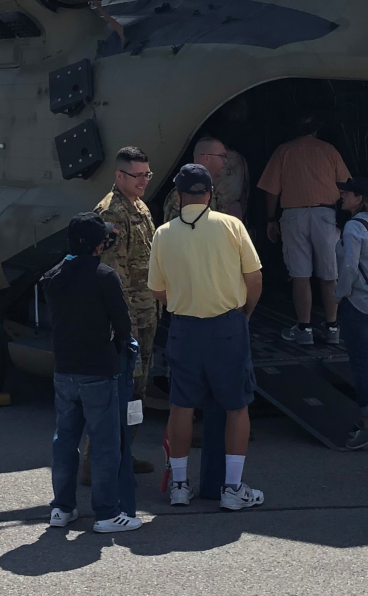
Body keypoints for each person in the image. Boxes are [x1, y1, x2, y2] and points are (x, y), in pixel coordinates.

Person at [149, 163, 264, 510]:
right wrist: (243, 313)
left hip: (184, 327)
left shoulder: (163, 233)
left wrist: (185, 300)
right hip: (227, 325)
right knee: (236, 405)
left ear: (179, 195)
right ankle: (232, 488)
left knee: (181, 405)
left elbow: (157, 290)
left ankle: (180, 485)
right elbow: (255, 278)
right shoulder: (232, 226)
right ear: (210, 193)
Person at [44, 212, 142, 533]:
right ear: (100, 246)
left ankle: (62, 507)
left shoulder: (52, 278)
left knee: (65, 440)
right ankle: (106, 513)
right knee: (104, 445)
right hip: (98, 371)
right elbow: (123, 325)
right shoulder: (105, 276)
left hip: (64, 371)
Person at [257, 115, 350, 346]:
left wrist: (270, 219)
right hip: (326, 215)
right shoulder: (330, 151)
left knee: (300, 274)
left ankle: (304, 328)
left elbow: (271, 191)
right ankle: (332, 327)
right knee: (330, 274)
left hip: (293, 215)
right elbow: (346, 185)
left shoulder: (284, 151)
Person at [96, 147, 162, 452]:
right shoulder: (113, 212)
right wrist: (127, 322)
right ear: (119, 175)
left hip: (147, 312)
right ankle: (95, 462)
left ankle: (123, 454)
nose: (144, 181)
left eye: (147, 174)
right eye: (137, 175)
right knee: (121, 390)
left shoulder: (139, 206)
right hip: (130, 319)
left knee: (137, 392)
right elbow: (112, 274)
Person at [334, 176, 368, 450]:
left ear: (358, 198)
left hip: (358, 302)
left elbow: (349, 267)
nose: (342, 195)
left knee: (360, 364)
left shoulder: (353, 227)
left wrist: (338, 295)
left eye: (347, 192)